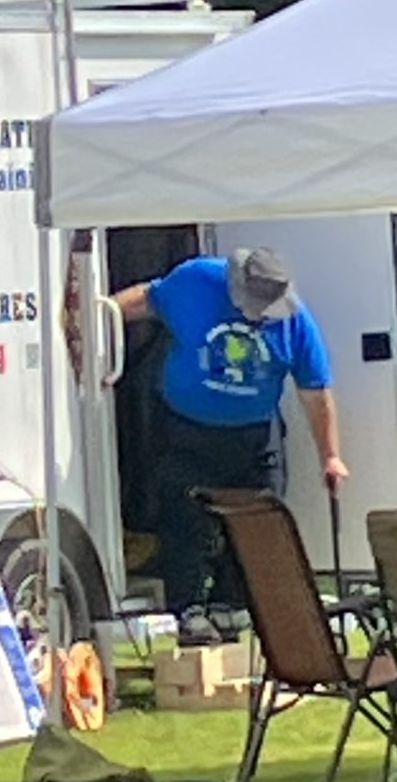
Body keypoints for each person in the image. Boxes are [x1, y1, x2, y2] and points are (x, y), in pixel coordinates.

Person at [114, 246, 348, 645]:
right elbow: (146, 300)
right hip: (184, 426)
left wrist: (331, 456)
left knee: (257, 521)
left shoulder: (294, 321)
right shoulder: (197, 280)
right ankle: (188, 609)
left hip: (254, 435)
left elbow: (315, 392)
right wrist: (97, 317)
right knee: (183, 518)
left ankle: (232, 605)